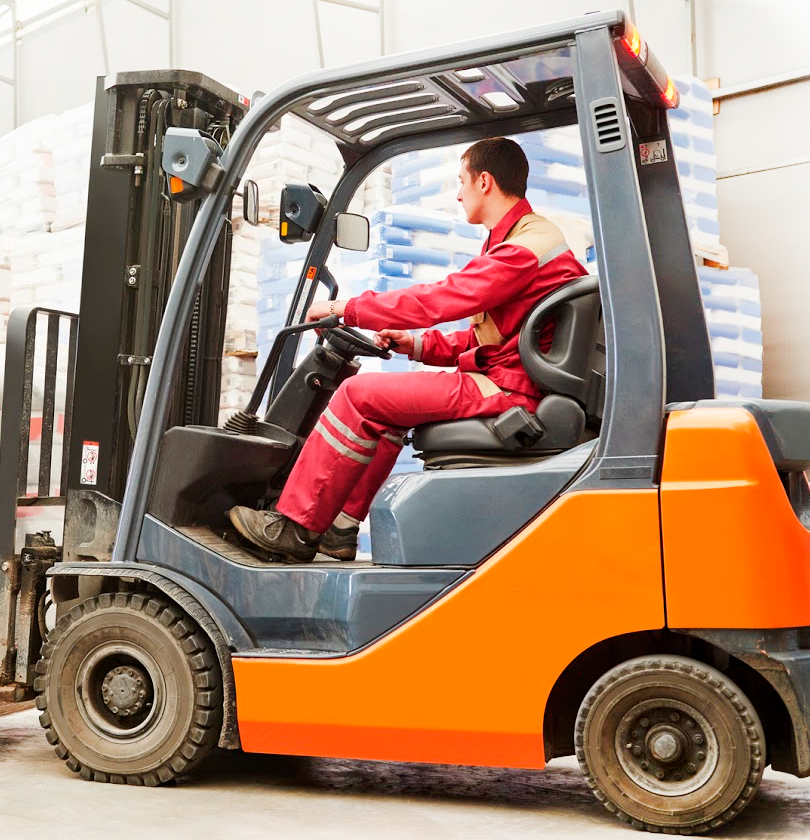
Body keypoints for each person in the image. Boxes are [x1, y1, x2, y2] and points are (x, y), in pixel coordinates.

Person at [228, 136, 589, 562]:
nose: (458, 194)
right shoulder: (519, 239)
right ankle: (340, 529)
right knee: (383, 413)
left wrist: (350, 308)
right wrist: (416, 345)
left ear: (484, 182)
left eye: (462, 182)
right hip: (511, 378)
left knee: (357, 395)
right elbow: (492, 339)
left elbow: (442, 299)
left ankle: (295, 527)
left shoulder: (522, 249)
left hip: (512, 390)